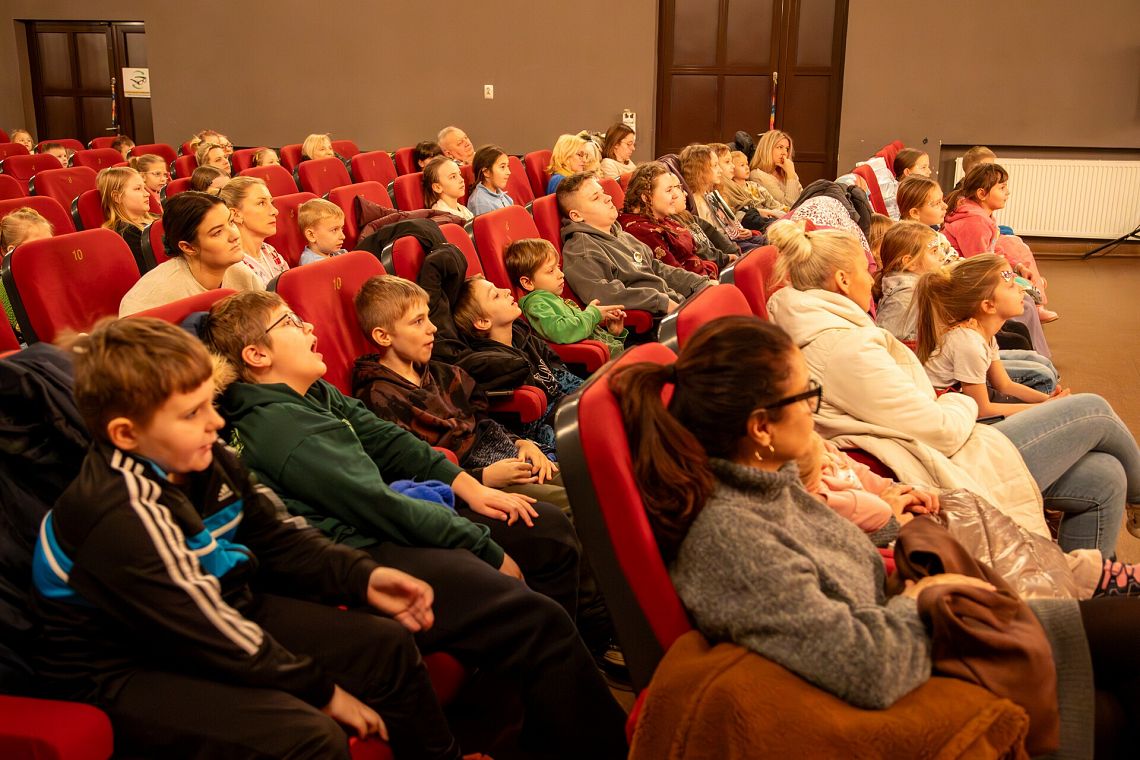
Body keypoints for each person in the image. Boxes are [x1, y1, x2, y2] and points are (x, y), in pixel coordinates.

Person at [609, 315, 1140, 756]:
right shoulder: (732, 540)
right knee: (1112, 706)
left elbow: (822, 546)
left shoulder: (766, 482)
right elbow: (867, 667)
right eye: (807, 396)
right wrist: (920, 596)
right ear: (761, 427)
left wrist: (890, 521)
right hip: (917, 663)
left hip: (924, 639)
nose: (815, 413)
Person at [200, 290, 630, 757]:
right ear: (257, 355)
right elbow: (377, 507)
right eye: (288, 323)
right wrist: (484, 548)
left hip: (384, 517)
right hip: (358, 550)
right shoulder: (281, 430)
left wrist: (469, 486)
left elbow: (388, 440)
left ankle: (540, 703)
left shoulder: (309, 391)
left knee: (545, 531)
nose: (308, 327)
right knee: (536, 617)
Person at [32, 317, 464, 758]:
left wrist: (362, 577)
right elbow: (202, 628)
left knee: (386, 647)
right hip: (125, 667)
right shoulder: (121, 512)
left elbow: (277, 537)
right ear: (126, 434)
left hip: (214, 606)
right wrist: (320, 691)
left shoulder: (205, 455)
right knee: (310, 737)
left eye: (209, 403)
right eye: (192, 413)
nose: (215, 421)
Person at [764, 219, 1140, 556]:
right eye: (865, 269)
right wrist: (960, 401)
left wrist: (951, 404)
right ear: (843, 280)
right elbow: (940, 430)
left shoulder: (832, 333)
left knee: (1105, 476)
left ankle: (1081, 596)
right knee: (1092, 408)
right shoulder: (843, 347)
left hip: (934, 443)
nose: (872, 277)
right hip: (932, 462)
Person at [876, 223, 1055, 391]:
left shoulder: (923, 283)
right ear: (910, 262)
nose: (941, 256)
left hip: (952, 353)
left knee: (1037, 360)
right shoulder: (903, 298)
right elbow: (892, 349)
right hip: (941, 371)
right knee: (1039, 374)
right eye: (934, 251)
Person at [916, 254, 1066, 411]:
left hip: (961, 405)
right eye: (1011, 286)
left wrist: (1050, 402)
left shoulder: (984, 334)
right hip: (948, 413)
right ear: (988, 305)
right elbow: (982, 410)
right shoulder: (969, 344)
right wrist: (1042, 409)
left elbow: (1005, 385)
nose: (1021, 288)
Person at [558, 172, 711, 318]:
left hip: (676, 303)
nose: (608, 198)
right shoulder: (582, 252)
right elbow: (604, 295)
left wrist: (700, 284)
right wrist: (661, 302)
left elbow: (656, 267)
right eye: (596, 197)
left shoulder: (619, 233)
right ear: (576, 215)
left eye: (603, 192)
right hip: (657, 318)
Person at [452, 275, 584, 443]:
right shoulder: (495, 365)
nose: (507, 290)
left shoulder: (524, 337)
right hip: (550, 432)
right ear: (483, 321)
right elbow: (534, 426)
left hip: (567, 408)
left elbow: (563, 376)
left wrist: (587, 397)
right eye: (495, 295)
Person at [942, 163, 1057, 322]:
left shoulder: (982, 216)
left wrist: (1018, 267)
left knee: (1026, 292)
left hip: (978, 274)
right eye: (1002, 188)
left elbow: (992, 250)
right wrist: (1014, 280)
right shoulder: (974, 221)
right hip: (965, 281)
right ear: (982, 194)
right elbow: (980, 265)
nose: (1007, 192)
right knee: (1025, 301)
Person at [118, 192, 262, 316]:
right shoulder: (150, 299)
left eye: (230, 222)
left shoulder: (243, 275)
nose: (235, 235)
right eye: (217, 232)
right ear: (188, 247)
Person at [506, 238, 627, 357]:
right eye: (551, 271)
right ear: (528, 283)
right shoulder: (536, 304)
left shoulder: (556, 300)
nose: (561, 274)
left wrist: (615, 334)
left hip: (615, 359)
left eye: (558, 267)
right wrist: (593, 314)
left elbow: (590, 338)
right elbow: (561, 332)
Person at [617, 161, 726, 277]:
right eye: (669, 190)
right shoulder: (643, 232)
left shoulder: (662, 219)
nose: (676, 195)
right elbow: (676, 276)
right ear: (646, 197)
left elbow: (694, 253)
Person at [681, 144, 760, 251]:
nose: (720, 170)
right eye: (715, 165)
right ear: (700, 169)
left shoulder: (711, 194)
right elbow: (713, 240)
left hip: (736, 241)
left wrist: (745, 232)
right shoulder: (696, 202)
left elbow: (730, 228)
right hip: (728, 249)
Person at [219, 176, 289, 286]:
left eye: (271, 203)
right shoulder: (234, 267)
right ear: (236, 215)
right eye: (261, 203)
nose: (275, 211)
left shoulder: (269, 251)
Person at [0, 206, 52, 334]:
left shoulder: (54, 273)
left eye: (51, 244)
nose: (48, 251)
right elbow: (25, 328)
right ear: (13, 251)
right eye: (38, 246)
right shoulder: (4, 286)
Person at [98, 166, 157, 265]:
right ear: (117, 197)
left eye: (144, 187)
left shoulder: (156, 217)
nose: (147, 194)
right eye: (138, 189)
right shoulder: (127, 233)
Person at [748, 129, 802, 206]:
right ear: (767, 149)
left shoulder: (787, 170)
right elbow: (788, 206)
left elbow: (803, 197)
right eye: (780, 147)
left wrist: (791, 174)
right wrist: (790, 175)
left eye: (787, 149)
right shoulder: (757, 175)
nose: (785, 153)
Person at [466, 145, 513, 217]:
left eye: (508, 166)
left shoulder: (501, 194)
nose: (508, 172)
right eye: (502, 167)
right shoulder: (481, 203)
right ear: (486, 172)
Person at [297, 198, 347, 265]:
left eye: (342, 229)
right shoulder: (312, 265)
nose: (343, 236)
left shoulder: (335, 252)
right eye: (334, 230)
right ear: (311, 235)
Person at [422, 157, 473, 221]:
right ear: (437, 187)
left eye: (459, 174)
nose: (461, 180)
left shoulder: (462, 209)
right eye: (453, 177)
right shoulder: (441, 217)